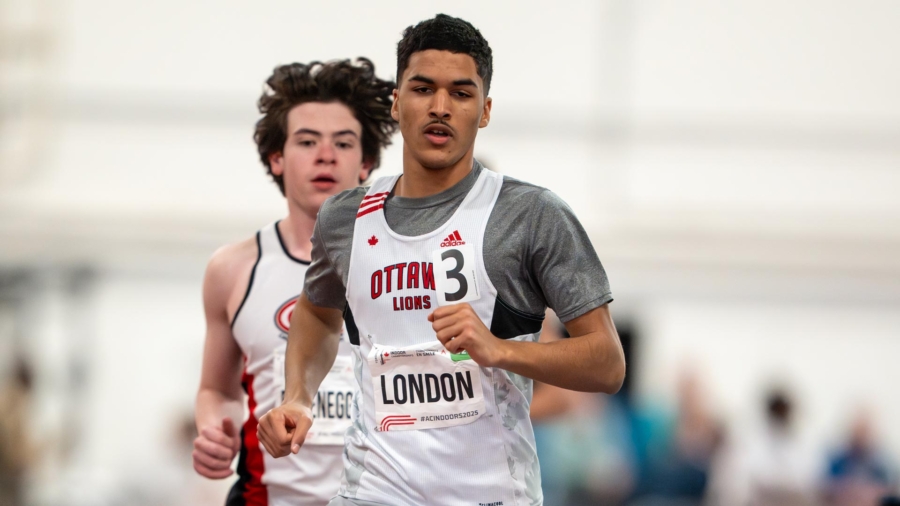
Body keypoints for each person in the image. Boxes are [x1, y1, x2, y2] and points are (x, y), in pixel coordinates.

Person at [257, 14, 626, 506]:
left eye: (460, 92)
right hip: (372, 492)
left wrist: (498, 350)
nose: (440, 107)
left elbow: (607, 364)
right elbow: (317, 315)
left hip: (490, 494)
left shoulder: (531, 215)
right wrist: (298, 397)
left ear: (485, 109)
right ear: (396, 101)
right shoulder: (344, 219)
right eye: (423, 88)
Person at [193, 58, 397, 506]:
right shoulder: (234, 269)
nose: (325, 155)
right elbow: (216, 389)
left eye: (343, 143)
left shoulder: (404, 267)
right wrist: (213, 429)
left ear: (366, 163)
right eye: (307, 141)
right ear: (277, 158)